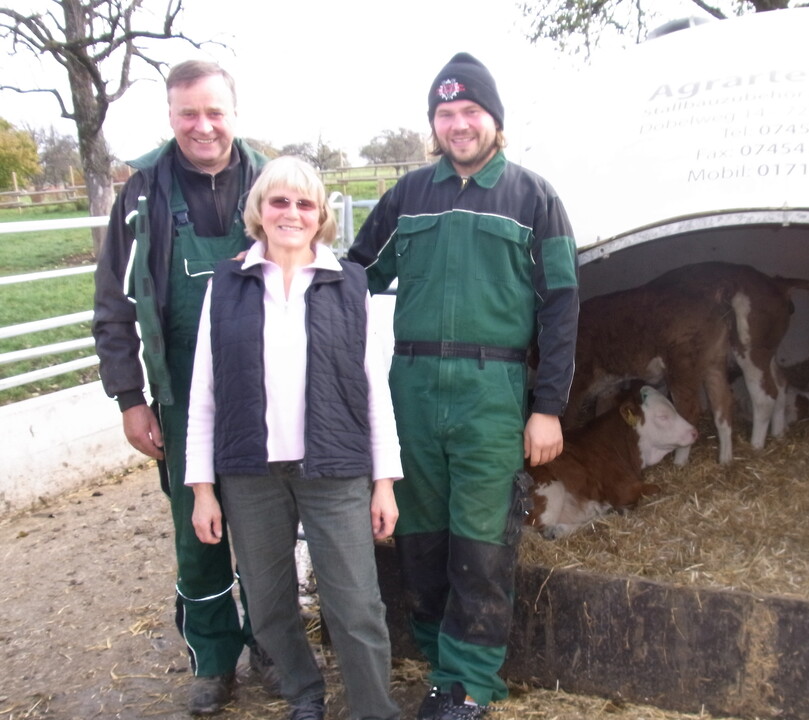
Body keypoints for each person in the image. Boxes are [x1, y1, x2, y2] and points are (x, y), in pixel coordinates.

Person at [348, 52, 580, 720]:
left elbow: (561, 304)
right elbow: (356, 272)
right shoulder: (408, 196)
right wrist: (284, 276)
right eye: (445, 114)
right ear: (434, 124)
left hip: (492, 388)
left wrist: (548, 409)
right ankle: (436, 663)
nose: (458, 125)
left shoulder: (534, 198)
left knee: (481, 540)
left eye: (470, 112)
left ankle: (470, 683)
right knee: (419, 535)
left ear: (494, 121)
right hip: (412, 385)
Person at [185, 156, 402, 720]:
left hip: (335, 468)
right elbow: (204, 392)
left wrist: (385, 483)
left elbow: (375, 389)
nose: (291, 213)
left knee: (356, 604)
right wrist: (202, 488)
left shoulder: (348, 284)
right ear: (258, 210)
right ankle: (305, 693)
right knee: (268, 601)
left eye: (305, 203)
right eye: (279, 201)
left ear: (321, 216)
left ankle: (372, 710)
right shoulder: (226, 285)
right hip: (250, 473)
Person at [91, 60, 274, 715]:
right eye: (188, 113)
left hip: (265, 399)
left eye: (214, 111)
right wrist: (130, 397)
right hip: (179, 393)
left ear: (233, 112)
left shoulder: (268, 182)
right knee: (200, 536)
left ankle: (275, 649)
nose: (203, 125)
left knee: (266, 531)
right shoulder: (142, 194)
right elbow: (113, 302)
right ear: (171, 117)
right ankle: (214, 661)